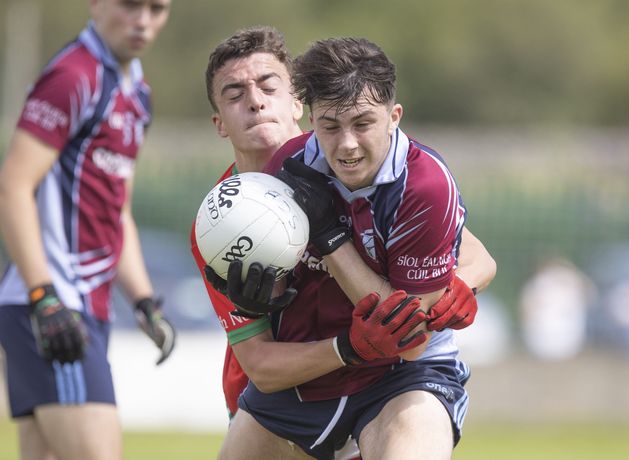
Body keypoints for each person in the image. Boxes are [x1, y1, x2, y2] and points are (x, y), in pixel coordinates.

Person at [192, 28, 496, 459]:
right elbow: (261, 365)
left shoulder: (422, 183)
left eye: (268, 87)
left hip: (398, 375)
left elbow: (409, 340)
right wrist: (255, 304)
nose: (347, 143)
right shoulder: (227, 215)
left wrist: (462, 279)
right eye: (331, 127)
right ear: (313, 117)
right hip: (296, 383)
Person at [0, 1, 174, 459]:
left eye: (158, 8)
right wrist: (45, 298)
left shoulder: (138, 94)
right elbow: (12, 186)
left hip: (81, 309)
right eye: (131, 4)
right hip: (54, 310)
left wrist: (143, 301)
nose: (144, 20)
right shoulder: (74, 77)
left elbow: (118, 210)